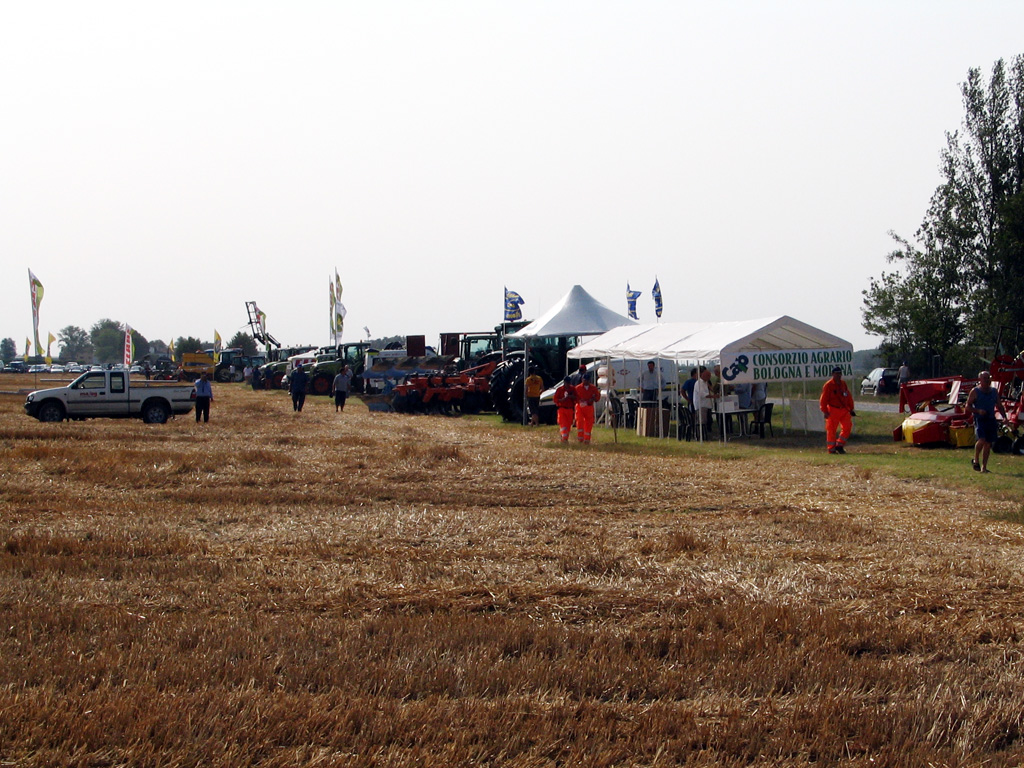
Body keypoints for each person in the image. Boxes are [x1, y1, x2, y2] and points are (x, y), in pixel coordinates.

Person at [965, 370, 1007, 473]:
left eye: (988, 378)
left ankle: (984, 467)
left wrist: (1005, 417)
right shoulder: (975, 391)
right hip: (980, 419)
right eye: (985, 378)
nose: (987, 380)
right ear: (980, 380)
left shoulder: (994, 391)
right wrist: (978, 411)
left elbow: (999, 406)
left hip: (991, 419)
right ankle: (976, 459)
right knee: (982, 440)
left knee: (988, 443)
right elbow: (967, 406)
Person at [820, 365, 856, 454]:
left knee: (847, 427)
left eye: (840, 373)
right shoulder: (828, 385)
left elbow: (848, 396)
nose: (838, 375)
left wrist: (851, 408)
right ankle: (831, 449)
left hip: (844, 410)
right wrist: (824, 411)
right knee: (831, 430)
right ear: (832, 374)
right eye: (836, 374)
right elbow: (823, 399)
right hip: (833, 409)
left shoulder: (843, 384)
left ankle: (839, 445)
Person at [574, 372, 601, 443]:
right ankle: (580, 438)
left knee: (589, 423)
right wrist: (579, 401)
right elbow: (574, 397)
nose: (586, 381)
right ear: (582, 379)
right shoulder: (578, 388)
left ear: (589, 380)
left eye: (587, 380)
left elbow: (597, 397)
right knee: (580, 422)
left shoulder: (593, 388)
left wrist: (593, 399)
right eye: (584, 380)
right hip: (580, 407)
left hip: (589, 407)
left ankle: (587, 439)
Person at [692, 366, 717, 439]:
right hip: (701, 405)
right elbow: (703, 394)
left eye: (709, 376)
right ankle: (700, 436)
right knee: (702, 422)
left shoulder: (706, 383)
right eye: (707, 376)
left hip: (707, 405)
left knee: (708, 421)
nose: (709, 377)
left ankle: (706, 435)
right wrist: (713, 396)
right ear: (702, 375)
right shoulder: (699, 383)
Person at [553, 376, 578, 443]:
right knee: (563, 424)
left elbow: (576, 398)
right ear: (564, 382)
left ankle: (564, 437)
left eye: (568, 382)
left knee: (568, 425)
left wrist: (570, 396)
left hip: (570, 409)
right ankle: (564, 439)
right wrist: (562, 400)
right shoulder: (560, 389)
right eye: (566, 382)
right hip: (562, 409)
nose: (567, 384)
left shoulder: (572, 389)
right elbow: (555, 399)